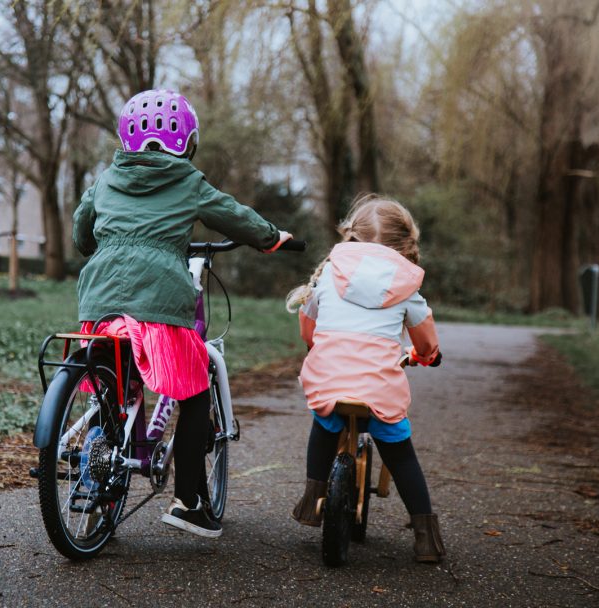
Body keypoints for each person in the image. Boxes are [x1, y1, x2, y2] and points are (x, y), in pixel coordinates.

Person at [73, 89, 291, 538]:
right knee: (193, 389)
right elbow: (234, 216)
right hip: (158, 305)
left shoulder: (107, 178)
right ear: (186, 142)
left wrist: (100, 246)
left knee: (113, 378)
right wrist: (271, 238)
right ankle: (188, 502)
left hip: (98, 301)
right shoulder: (188, 181)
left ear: (127, 138)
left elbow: (82, 228)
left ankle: (100, 478)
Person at [287, 194, 445, 563]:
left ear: (352, 236)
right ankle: (425, 538)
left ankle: (312, 501)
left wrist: (318, 343)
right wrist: (426, 357)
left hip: (328, 376)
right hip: (378, 389)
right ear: (405, 243)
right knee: (401, 453)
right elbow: (426, 341)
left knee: (324, 422)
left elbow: (308, 326)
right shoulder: (407, 285)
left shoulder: (328, 272)